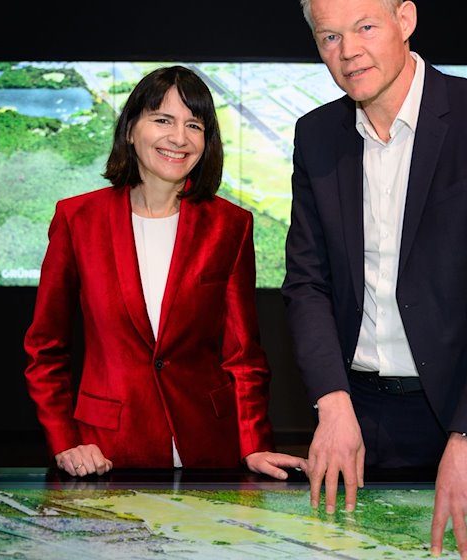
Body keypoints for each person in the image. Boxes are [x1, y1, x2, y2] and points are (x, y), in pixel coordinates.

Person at [282, 1, 467, 558]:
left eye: (365, 28)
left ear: (405, 20)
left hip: (457, 410)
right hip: (350, 411)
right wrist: (331, 403)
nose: (348, 51)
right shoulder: (316, 134)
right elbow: (308, 282)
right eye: (329, 37)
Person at [24, 65, 306, 481]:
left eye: (194, 125)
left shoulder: (231, 225)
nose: (179, 137)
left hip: (210, 449)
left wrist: (255, 443)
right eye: (163, 120)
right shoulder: (77, 219)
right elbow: (45, 348)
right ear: (131, 129)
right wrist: (64, 440)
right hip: (103, 453)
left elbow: (243, 357)